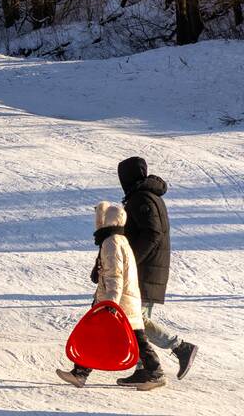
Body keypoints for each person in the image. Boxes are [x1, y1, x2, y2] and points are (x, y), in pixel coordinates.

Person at [56, 202, 167, 391]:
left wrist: (110, 304)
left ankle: (156, 373)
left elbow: (115, 275)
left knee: (132, 339)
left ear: (106, 220)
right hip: (124, 301)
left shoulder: (111, 242)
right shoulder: (120, 240)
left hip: (117, 302)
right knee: (104, 336)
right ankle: (80, 373)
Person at [117, 157, 198, 382]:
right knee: (136, 318)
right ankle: (145, 370)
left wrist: (131, 262)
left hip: (144, 269)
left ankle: (180, 347)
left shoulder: (140, 198)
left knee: (135, 319)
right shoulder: (149, 196)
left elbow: (152, 234)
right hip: (151, 268)